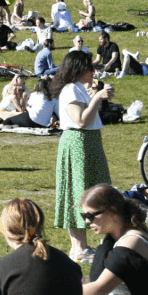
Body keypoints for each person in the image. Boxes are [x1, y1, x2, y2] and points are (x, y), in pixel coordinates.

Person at [52, 50, 113, 261]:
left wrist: (94, 95)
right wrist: (97, 97)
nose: (93, 70)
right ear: (79, 70)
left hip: (88, 143)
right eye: (89, 67)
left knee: (92, 191)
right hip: (78, 144)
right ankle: (79, 248)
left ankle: (82, 247)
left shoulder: (78, 89)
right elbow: (80, 121)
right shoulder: (70, 90)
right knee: (78, 192)